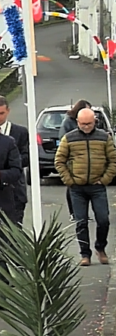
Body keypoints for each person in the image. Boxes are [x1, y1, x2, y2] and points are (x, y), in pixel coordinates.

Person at [55, 107, 116, 266]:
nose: (86, 127)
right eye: (83, 124)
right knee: (80, 221)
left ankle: (100, 248)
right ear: (77, 122)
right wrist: (69, 180)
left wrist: (104, 179)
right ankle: (85, 254)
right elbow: (59, 161)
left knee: (103, 220)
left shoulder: (104, 138)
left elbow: (113, 161)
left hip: (97, 187)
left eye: (89, 123)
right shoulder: (69, 138)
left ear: (94, 121)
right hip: (77, 188)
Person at [0, 96, 29, 223]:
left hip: (15, 190)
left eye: (1, 113)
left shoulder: (20, 132)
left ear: (8, 111)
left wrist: (10, 163)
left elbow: (27, 157)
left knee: (15, 230)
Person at [59, 100, 92, 220]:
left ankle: (83, 213)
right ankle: (73, 212)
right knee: (72, 187)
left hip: (85, 159)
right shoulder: (68, 122)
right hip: (72, 159)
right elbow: (63, 138)